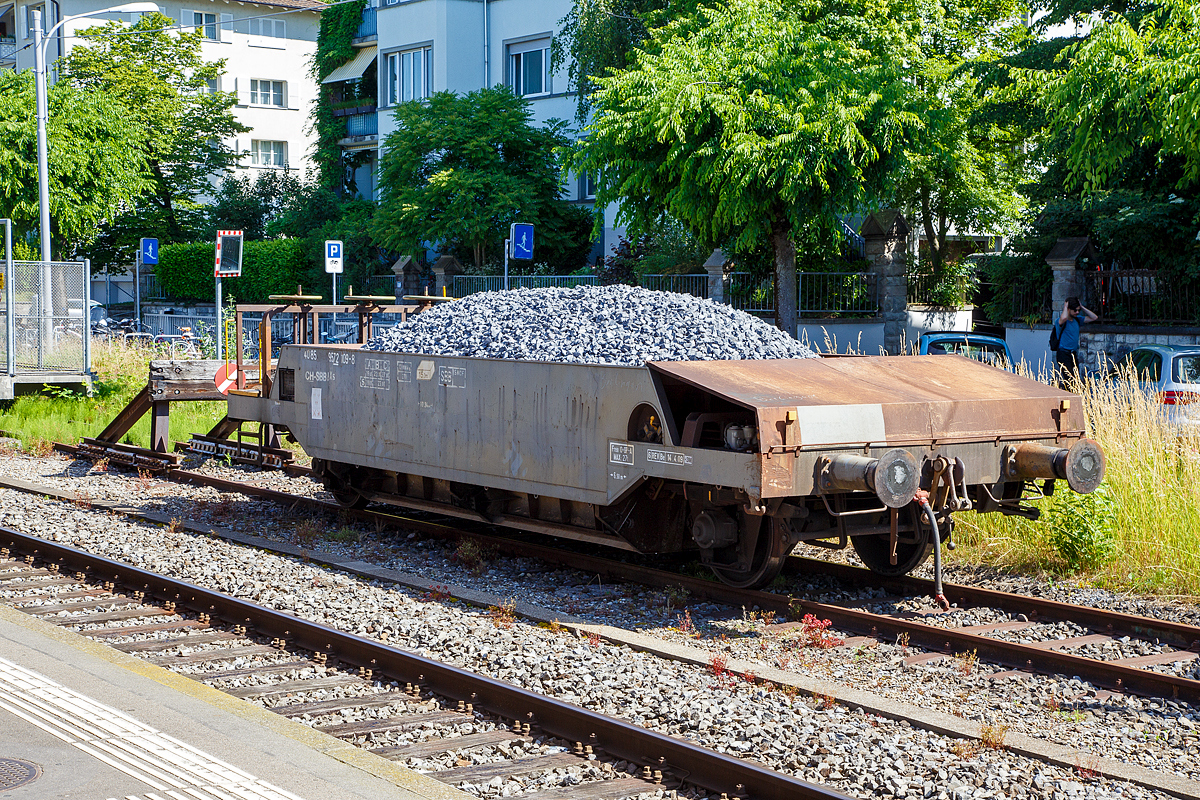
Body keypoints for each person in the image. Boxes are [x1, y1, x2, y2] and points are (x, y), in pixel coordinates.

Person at [1055, 297, 1097, 387]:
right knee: (1070, 379)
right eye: (1075, 310)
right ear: (1068, 309)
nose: (1077, 312)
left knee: (1075, 379)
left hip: (1073, 354)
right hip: (1063, 353)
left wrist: (1082, 307)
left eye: (1078, 310)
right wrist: (1065, 306)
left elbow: (1094, 317)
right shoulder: (1061, 321)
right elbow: (1064, 317)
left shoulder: (1077, 320)